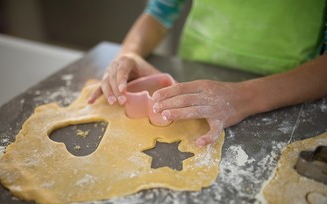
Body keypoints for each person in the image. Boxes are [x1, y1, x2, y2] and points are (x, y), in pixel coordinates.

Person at [88, 0, 327, 146]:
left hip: (288, 90)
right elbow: (159, 11)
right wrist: (129, 54)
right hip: (192, 73)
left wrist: (246, 97)